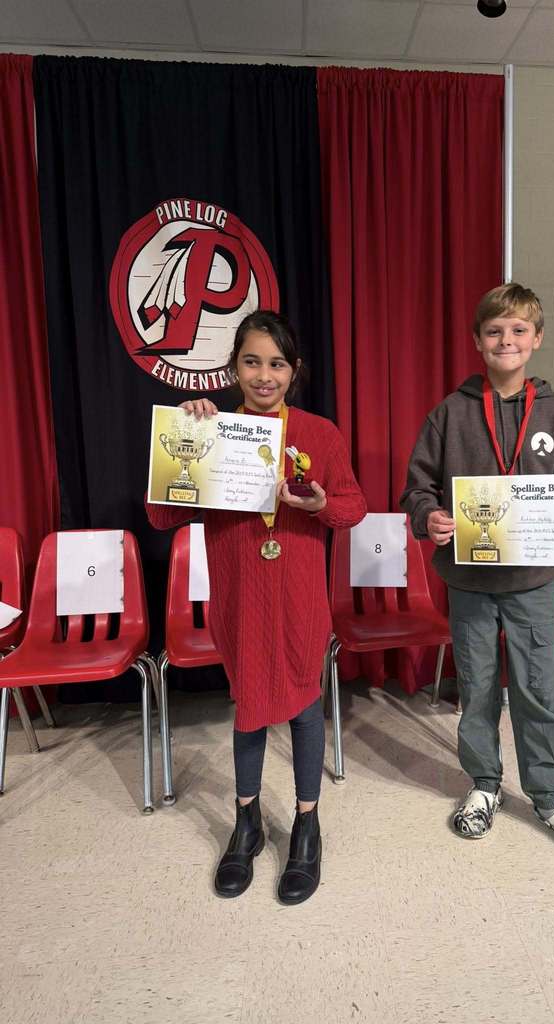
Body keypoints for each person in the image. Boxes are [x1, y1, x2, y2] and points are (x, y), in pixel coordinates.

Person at [147, 310, 366, 902]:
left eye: (276, 364)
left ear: (294, 371)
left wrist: (320, 504)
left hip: (299, 596)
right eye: (251, 362)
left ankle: (306, 824)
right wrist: (186, 440)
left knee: (303, 703)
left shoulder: (319, 432)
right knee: (248, 703)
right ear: (232, 368)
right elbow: (161, 515)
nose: (264, 375)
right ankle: (246, 824)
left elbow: (353, 508)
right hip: (239, 595)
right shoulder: (211, 429)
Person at [400, 283, 554, 859]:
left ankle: (550, 796)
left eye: (518, 330)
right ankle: (484, 784)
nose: (506, 340)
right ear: (477, 340)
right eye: (494, 331)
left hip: (533, 583)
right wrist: (429, 516)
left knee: (538, 690)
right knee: (478, 689)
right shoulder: (450, 413)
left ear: (536, 339)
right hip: (470, 582)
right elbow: (416, 489)